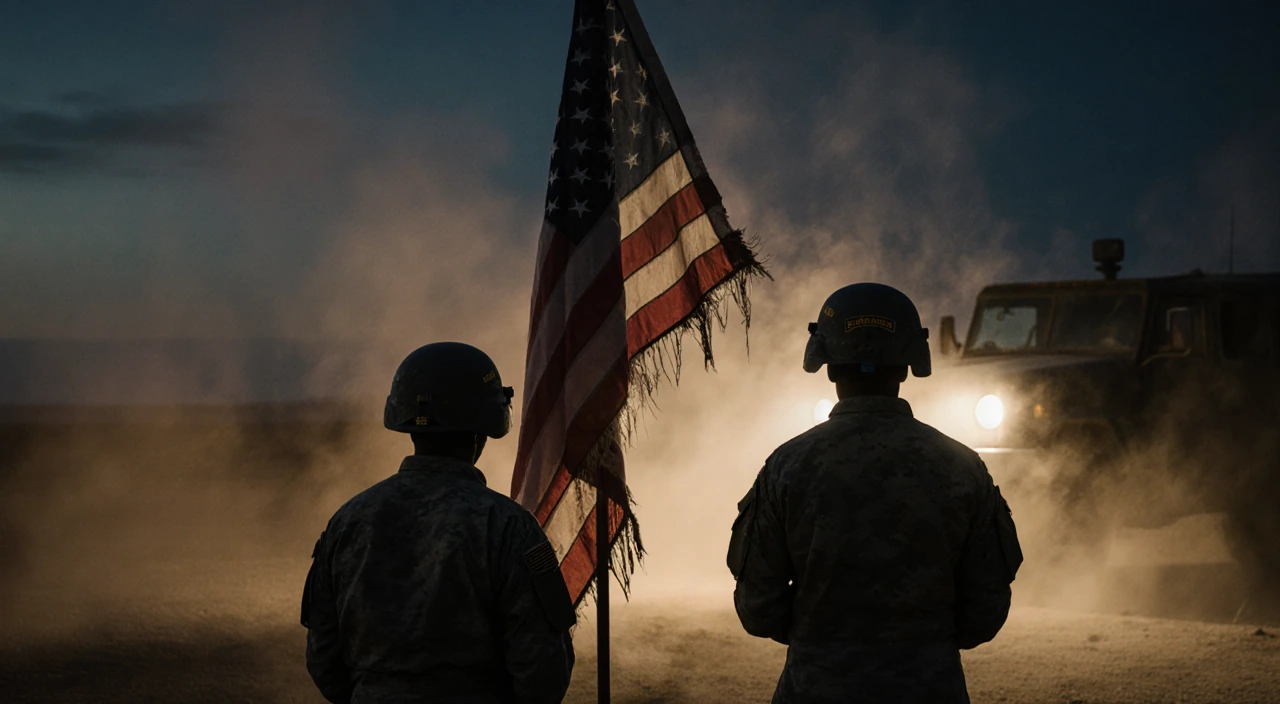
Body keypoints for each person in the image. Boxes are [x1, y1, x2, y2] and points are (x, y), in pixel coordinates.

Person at [727, 283, 1022, 703]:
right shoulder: (962, 468)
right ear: (906, 366)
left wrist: (824, 638)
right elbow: (985, 611)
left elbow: (758, 608)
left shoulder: (787, 467)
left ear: (827, 365)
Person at [302, 342, 576, 704]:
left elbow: (322, 655)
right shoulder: (509, 527)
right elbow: (543, 671)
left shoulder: (347, 522)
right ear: (481, 432)